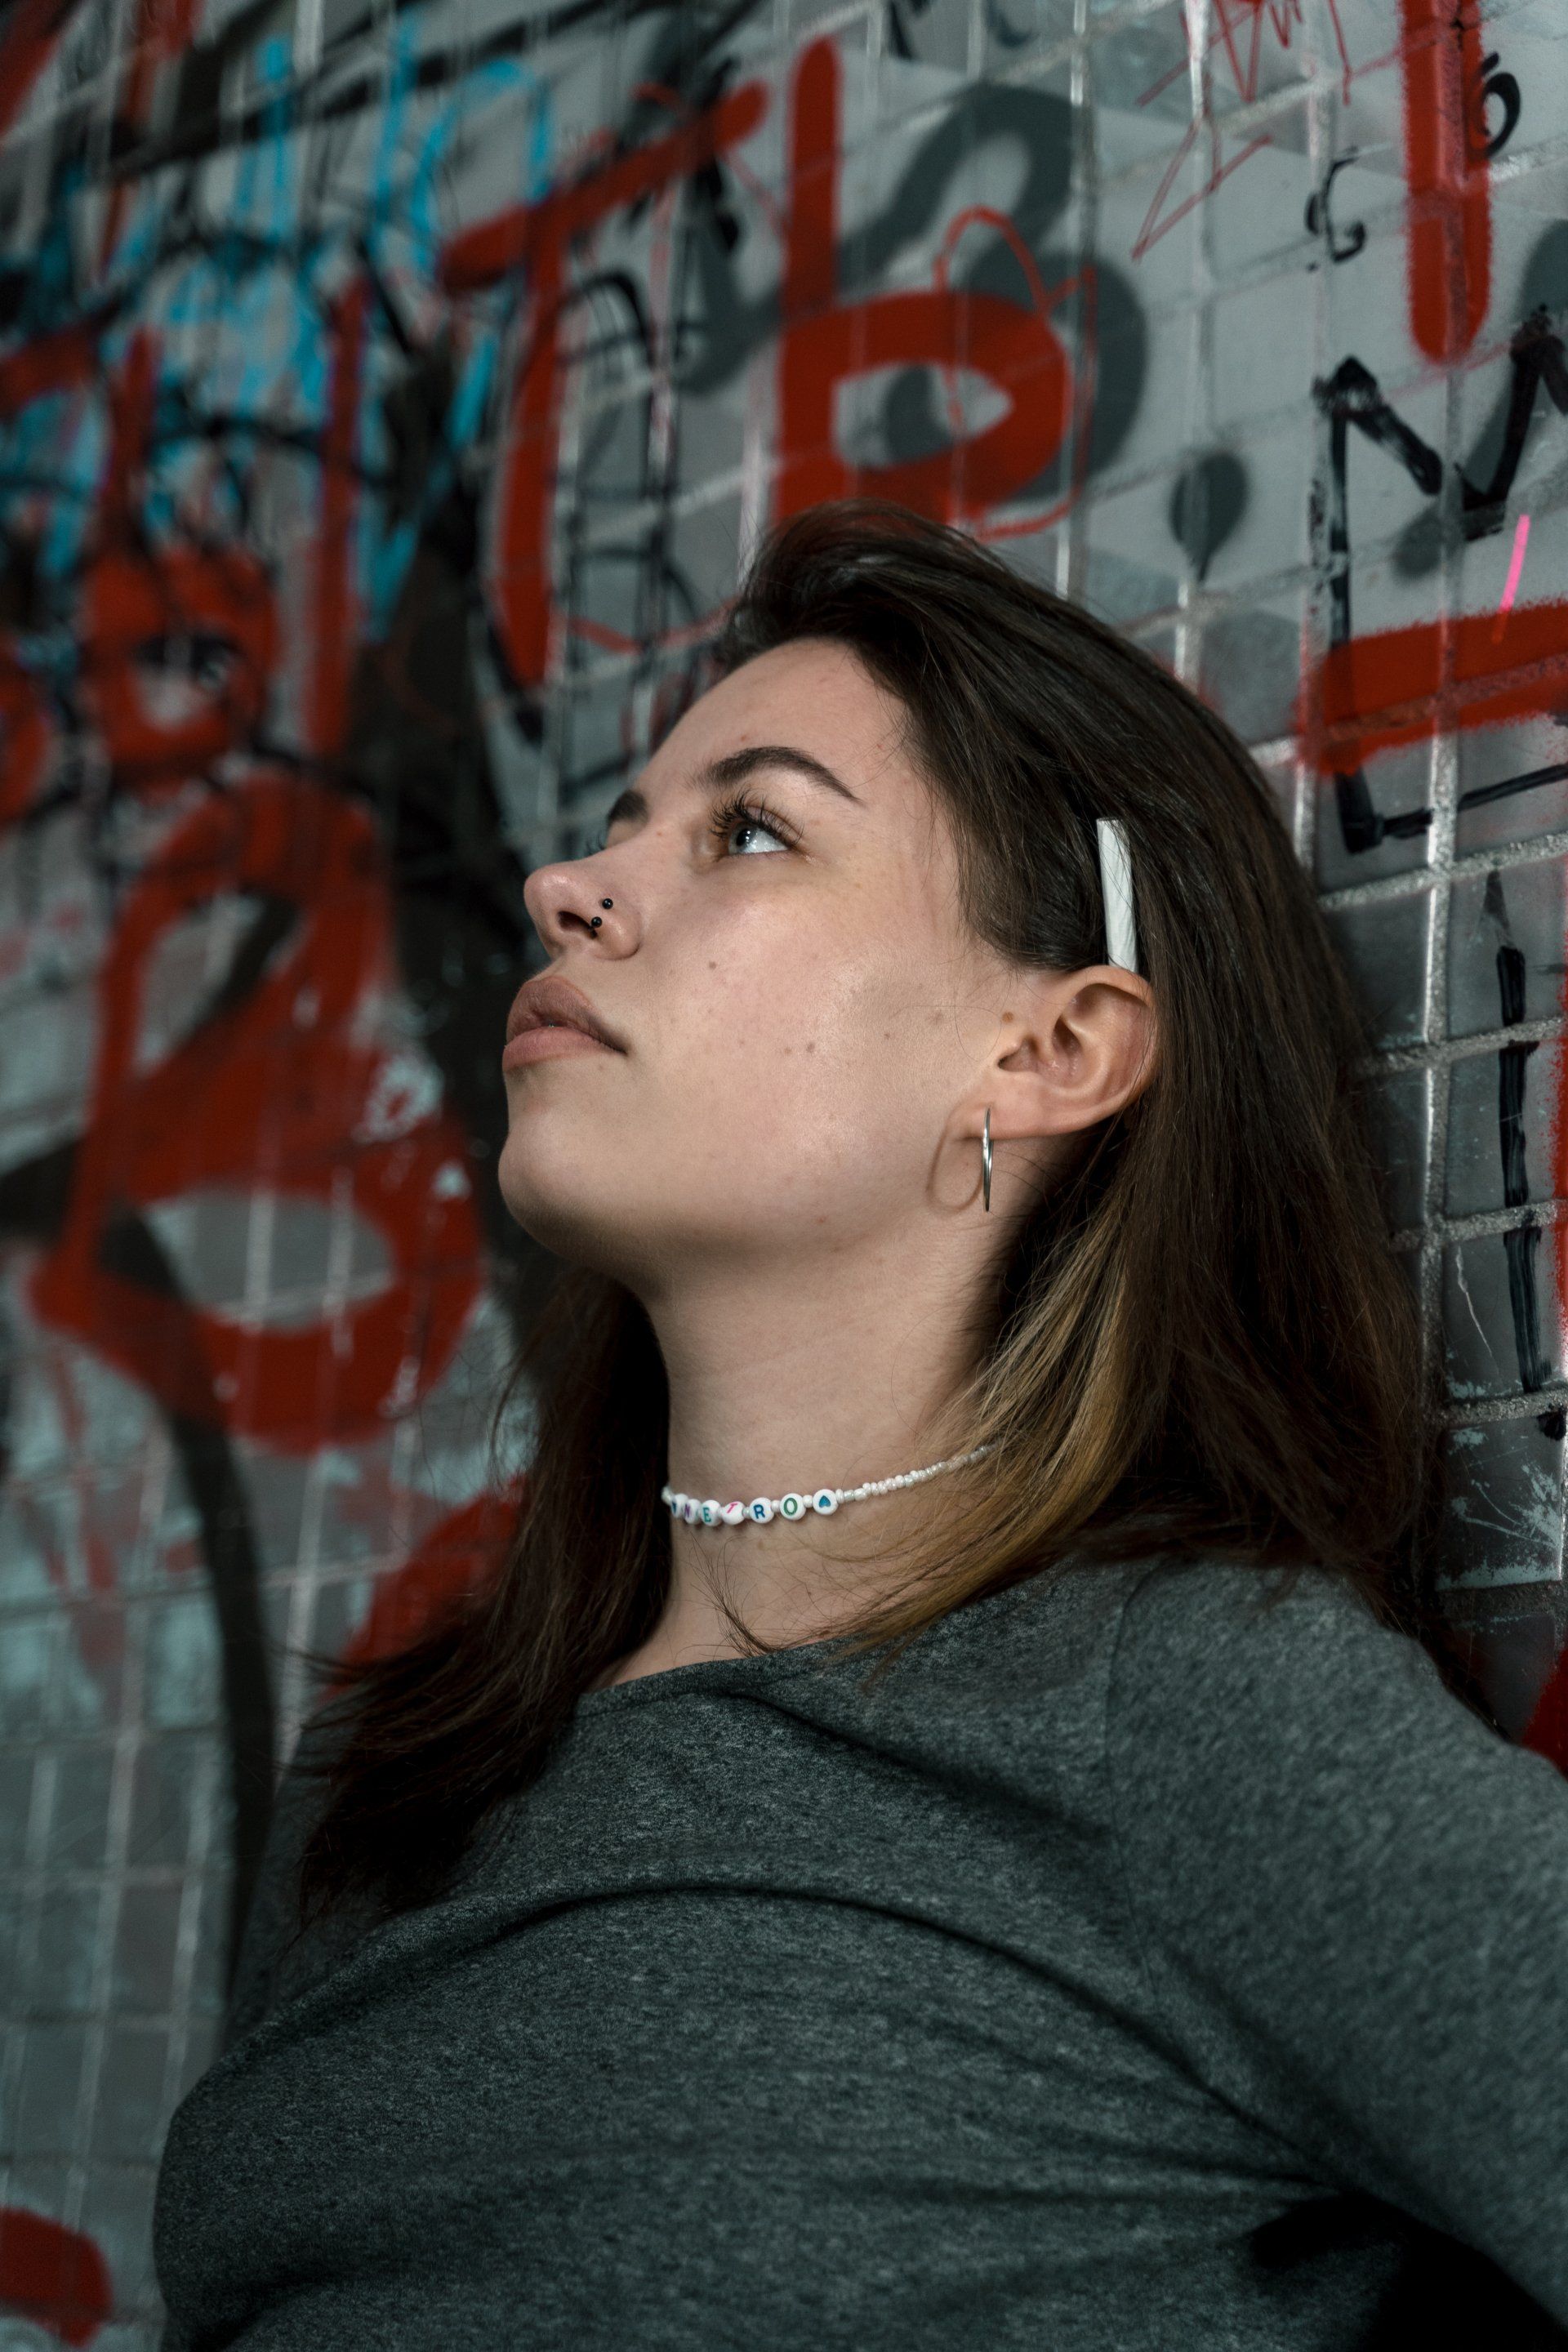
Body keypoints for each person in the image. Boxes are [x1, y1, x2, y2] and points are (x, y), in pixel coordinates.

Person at [152, 499, 1568, 2349]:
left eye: (750, 828)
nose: (571, 892)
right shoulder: (395, 1774)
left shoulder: (1196, 1720)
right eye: (615, 826)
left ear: (1050, 1052)